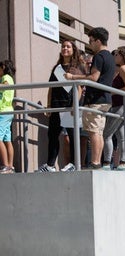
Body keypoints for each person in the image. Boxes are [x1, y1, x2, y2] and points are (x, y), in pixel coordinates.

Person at [65, 27, 115, 169]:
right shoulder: (110, 57)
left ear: (98, 41)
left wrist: (73, 77)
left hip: (96, 100)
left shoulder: (99, 56)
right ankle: (96, 162)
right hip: (104, 99)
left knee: (94, 132)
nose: (90, 43)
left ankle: (95, 162)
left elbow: (94, 77)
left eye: (91, 41)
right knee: (98, 132)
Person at [38, 40, 86, 172]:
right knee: (53, 135)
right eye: (63, 46)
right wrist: (48, 105)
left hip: (69, 107)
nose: (65, 48)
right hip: (56, 106)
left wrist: (74, 105)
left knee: (72, 136)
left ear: (73, 50)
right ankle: (50, 165)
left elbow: (80, 89)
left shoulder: (78, 67)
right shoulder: (56, 68)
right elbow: (51, 88)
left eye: (68, 46)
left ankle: (73, 164)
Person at [0, 60, 16, 173]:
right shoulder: (10, 78)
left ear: (3, 67)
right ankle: (10, 166)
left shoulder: (6, 77)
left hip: (3, 111)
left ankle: (6, 165)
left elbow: (5, 85)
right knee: (7, 139)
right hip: (8, 110)